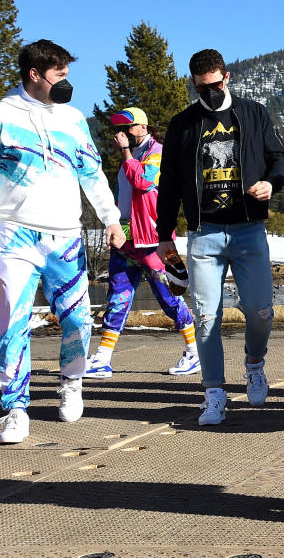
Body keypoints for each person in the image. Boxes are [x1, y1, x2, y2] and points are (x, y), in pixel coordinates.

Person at [0, 39, 124, 444]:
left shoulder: (73, 119)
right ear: (35, 75)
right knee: (12, 321)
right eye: (59, 75)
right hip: (14, 235)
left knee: (78, 320)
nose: (66, 82)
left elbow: (92, 175)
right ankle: (15, 409)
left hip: (65, 236)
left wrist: (113, 220)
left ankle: (71, 383)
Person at [156, 49, 284, 426]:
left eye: (215, 85)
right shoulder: (183, 124)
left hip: (249, 228)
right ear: (194, 84)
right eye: (202, 87)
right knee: (205, 317)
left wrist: (271, 183)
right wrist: (163, 235)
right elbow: (167, 185)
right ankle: (214, 393)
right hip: (204, 232)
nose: (210, 92)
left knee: (260, 311)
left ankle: (254, 363)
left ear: (226, 77)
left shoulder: (253, 113)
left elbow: (280, 158)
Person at [83, 107, 198, 378]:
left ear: (143, 128)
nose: (121, 135)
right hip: (127, 239)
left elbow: (144, 182)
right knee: (117, 296)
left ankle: (194, 352)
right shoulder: (131, 156)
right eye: (119, 130)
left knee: (170, 295)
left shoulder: (157, 152)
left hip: (158, 240)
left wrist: (124, 153)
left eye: (128, 129)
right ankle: (103, 358)